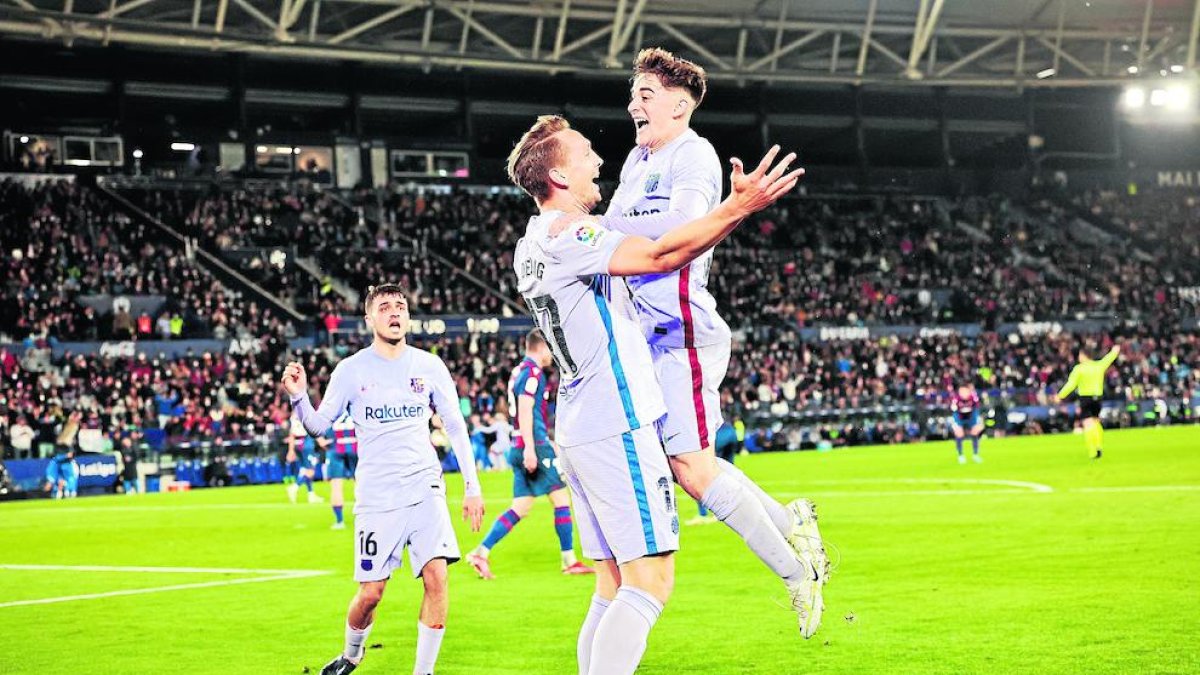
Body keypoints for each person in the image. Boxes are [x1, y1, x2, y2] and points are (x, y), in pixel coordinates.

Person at [508, 113, 810, 675]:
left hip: (579, 425)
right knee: (651, 581)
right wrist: (737, 208)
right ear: (557, 176)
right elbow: (660, 255)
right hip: (614, 422)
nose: (598, 160)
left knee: (610, 585)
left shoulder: (531, 243)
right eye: (583, 155)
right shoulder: (569, 234)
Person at [596, 47, 829, 629]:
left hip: (682, 335)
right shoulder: (634, 160)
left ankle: (797, 573)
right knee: (687, 464)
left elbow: (684, 231)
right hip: (645, 339)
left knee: (691, 467)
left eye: (644, 95)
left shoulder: (693, 156)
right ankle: (789, 517)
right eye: (633, 94)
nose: (633, 105)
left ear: (679, 104)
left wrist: (600, 231)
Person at [281, 283, 485, 675]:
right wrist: (299, 397)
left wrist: (471, 488)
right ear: (369, 318)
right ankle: (352, 654)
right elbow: (319, 426)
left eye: (401, 306)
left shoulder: (429, 365)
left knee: (437, 577)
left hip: (425, 487)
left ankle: (423, 672)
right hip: (377, 496)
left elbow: (456, 427)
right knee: (372, 593)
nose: (394, 312)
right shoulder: (351, 369)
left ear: (408, 316)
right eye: (385, 306)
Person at [466, 330, 594, 579]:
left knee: (520, 507)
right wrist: (532, 449)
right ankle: (569, 560)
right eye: (550, 348)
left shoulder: (518, 371)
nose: (552, 354)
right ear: (542, 347)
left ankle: (481, 552)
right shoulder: (533, 373)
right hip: (531, 444)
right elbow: (525, 409)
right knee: (561, 499)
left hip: (520, 444)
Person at [1055, 343, 1121, 459]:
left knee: (1087, 424)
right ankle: (1099, 446)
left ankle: (1092, 451)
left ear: (1084, 356)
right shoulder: (1099, 365)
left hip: (1086, 398)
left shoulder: (1079, 369)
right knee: (1096, 422)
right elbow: (1109, 358)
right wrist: (1115, 351)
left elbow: (1071, 385)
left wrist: (1060, 395)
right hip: (1098, 398)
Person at [326, 412, 359, 530]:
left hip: (336, 448)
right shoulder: (356, 405)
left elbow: (320, 429)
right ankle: (361, 519)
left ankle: (339, 522)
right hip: (355, 447)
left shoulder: (334, 407)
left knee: (336, 486)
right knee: (360, 484)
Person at [286, 413, 324, 504]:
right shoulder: (306, 412)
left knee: (304, 470)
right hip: (306, 444)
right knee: (311, 470)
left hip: (298, 444)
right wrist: (320, 440)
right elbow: (312, 429)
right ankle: (295, 487)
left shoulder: (294, 414)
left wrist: (291, 450)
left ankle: (311, 494)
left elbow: (291, 433)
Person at [949, 384, 984, 463]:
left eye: (965, 391)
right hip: (959, 418)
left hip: (971, 417)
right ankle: (960, 455)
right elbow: (954, 412)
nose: (963, 393)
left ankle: (975, 454)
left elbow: (976, 410)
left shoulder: (973, 398)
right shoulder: (956, 399)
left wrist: (976, 423)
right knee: (959, 434)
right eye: (961, 391)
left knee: (975, 433)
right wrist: (957, 425)